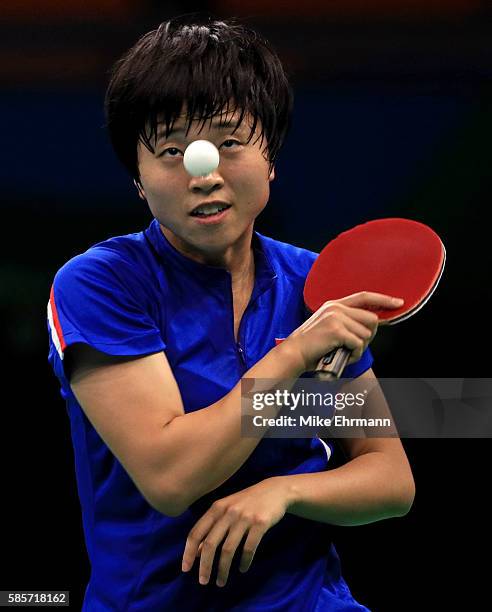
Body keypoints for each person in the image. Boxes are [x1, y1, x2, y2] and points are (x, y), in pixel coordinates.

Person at [47, 16, 415, 611]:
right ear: (138, 181)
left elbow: (389, 478)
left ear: (271, 155)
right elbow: (172, 478)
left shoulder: (314, 284)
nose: (206, 174)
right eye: (172, 150)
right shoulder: (102, 284)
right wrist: (293, 355)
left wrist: (284, 491)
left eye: (231, 141)